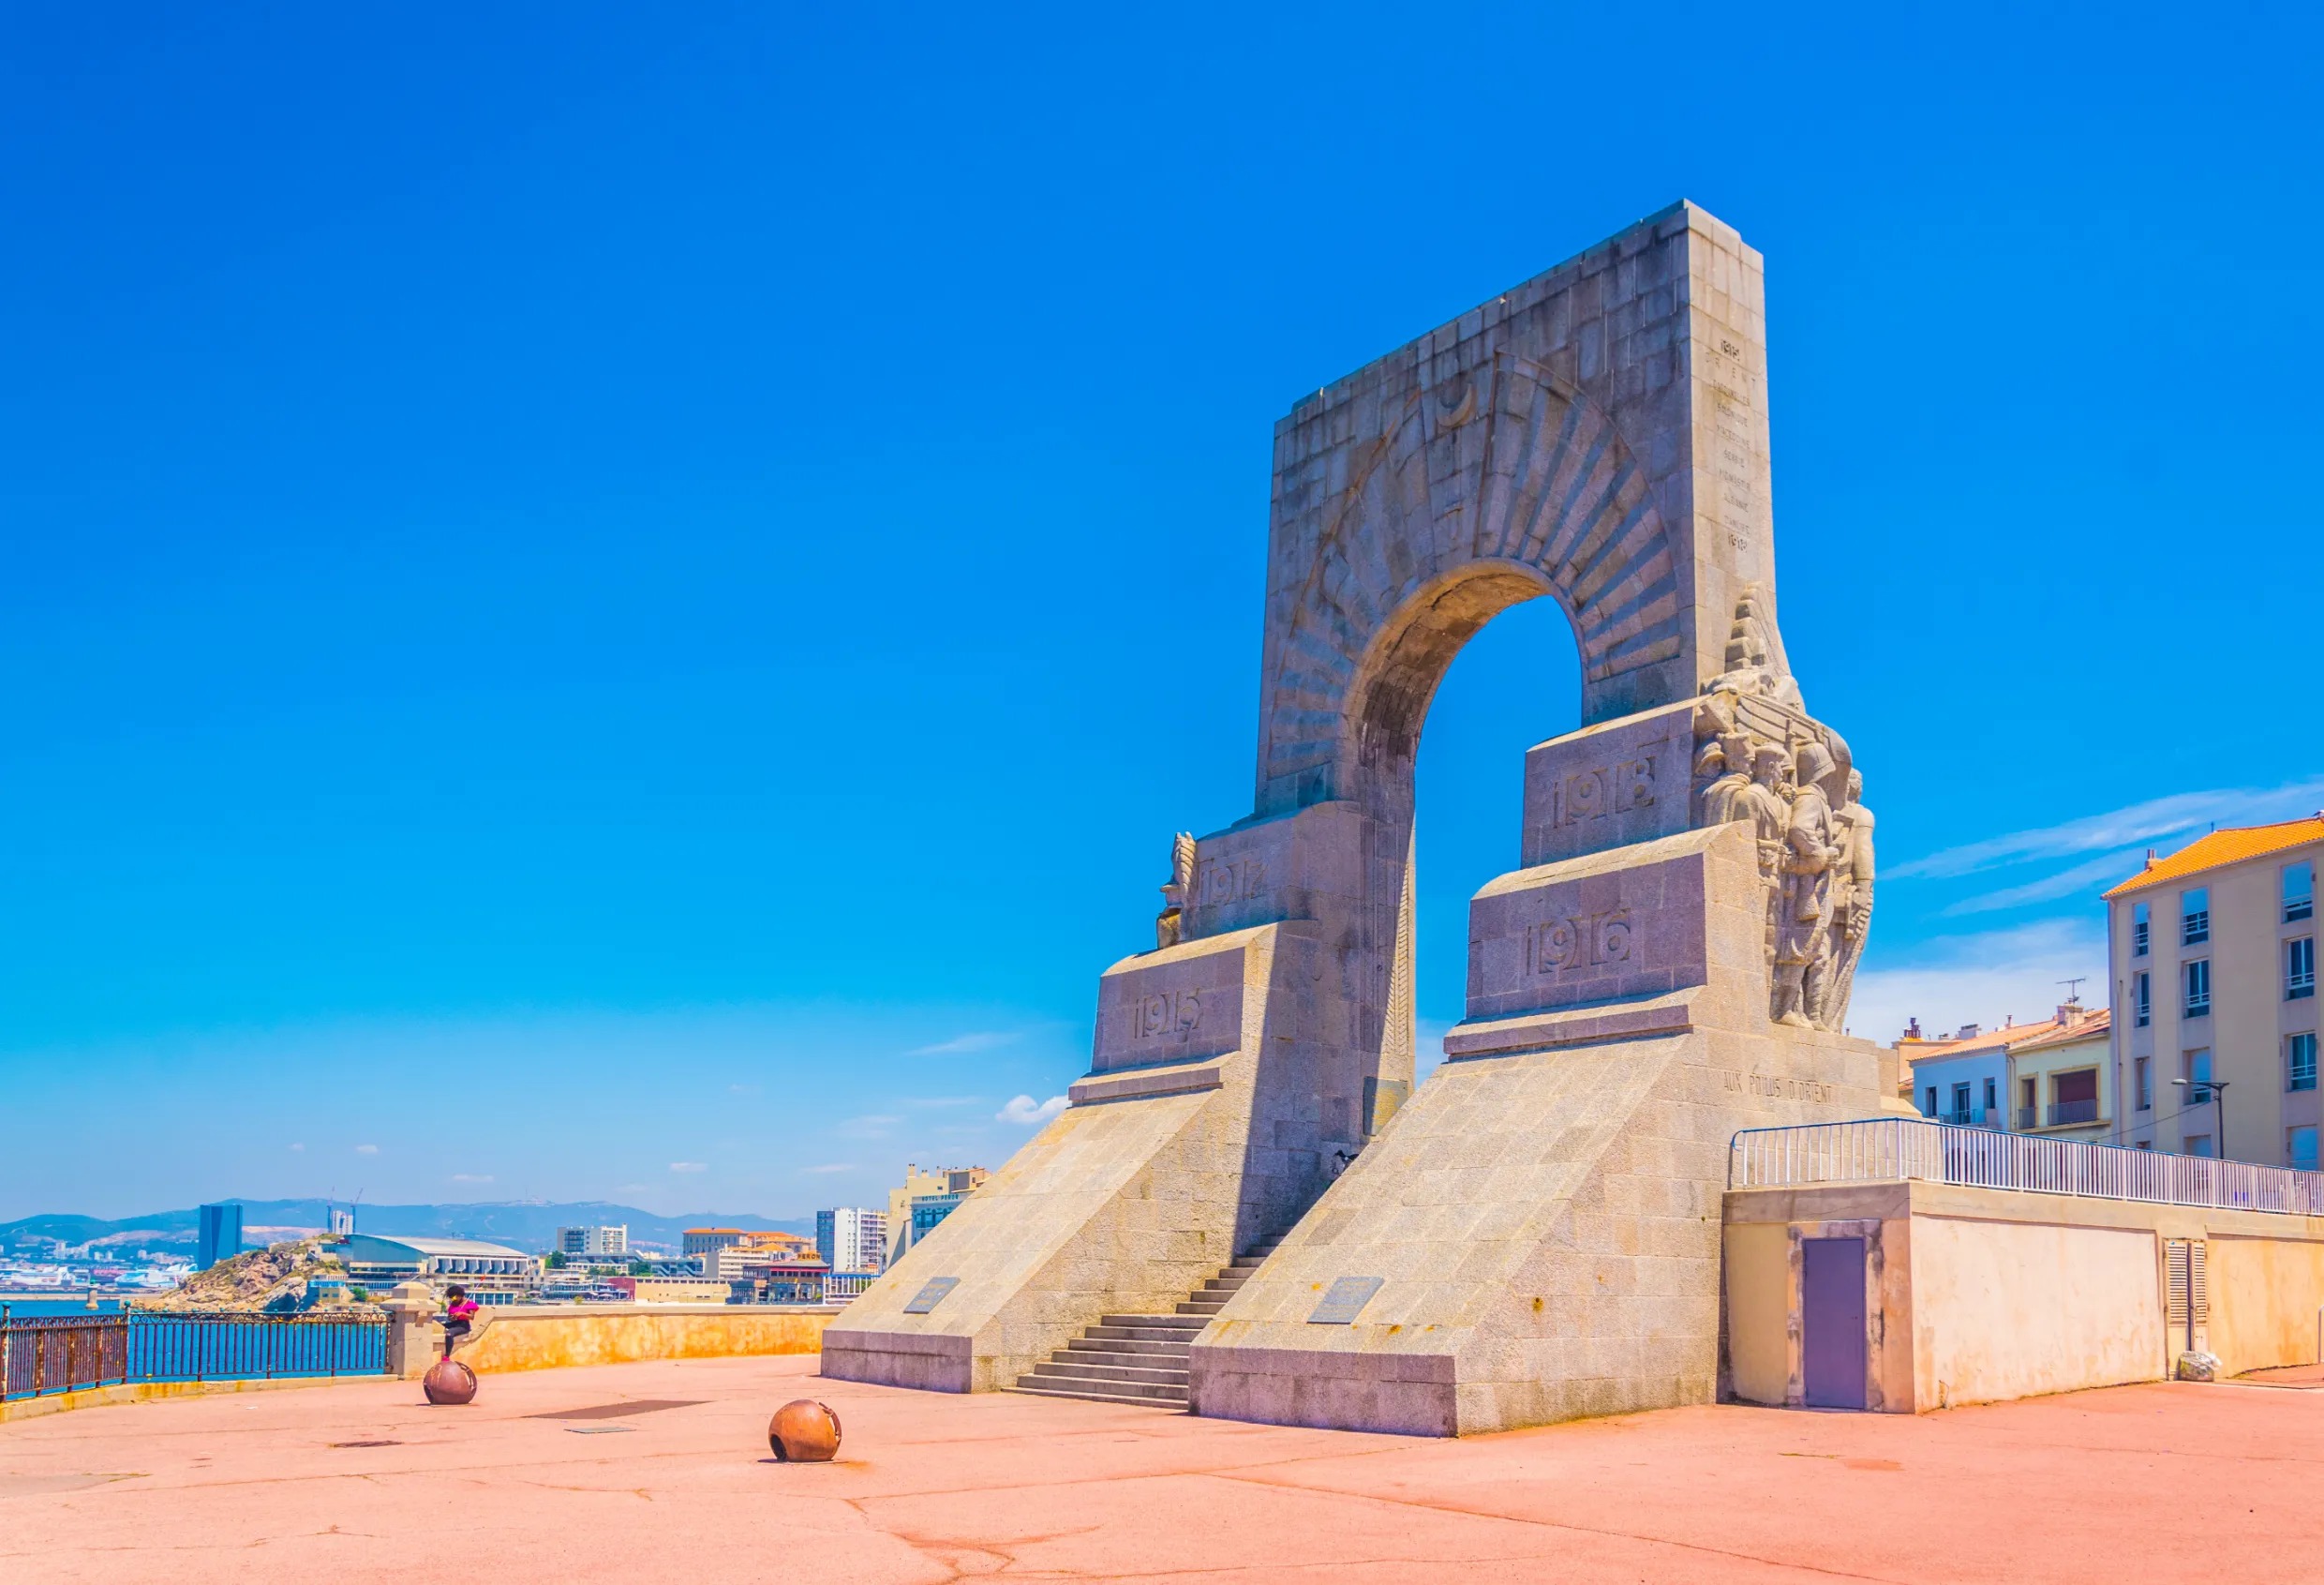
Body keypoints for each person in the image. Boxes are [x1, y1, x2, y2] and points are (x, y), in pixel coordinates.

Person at [439, 1285, 479, 1359]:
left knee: (449, 1334)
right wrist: (451, 1317)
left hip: (463, 1325)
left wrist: (462, 1313)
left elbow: (472, 1317)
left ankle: (447, 1356)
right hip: (455, 1323)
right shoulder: (453, 1304)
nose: (453, 1299)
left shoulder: (469, 1303)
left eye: (454, 1297)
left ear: (459, 1295)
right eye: (451, 1298)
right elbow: (450, 1318)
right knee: (439, 1326)